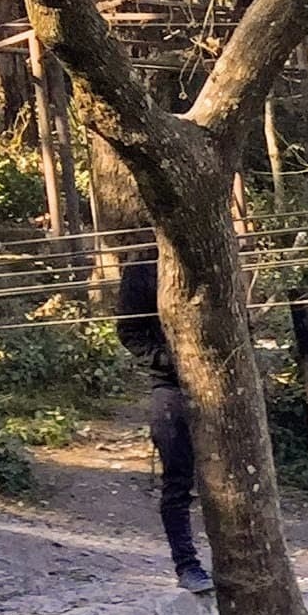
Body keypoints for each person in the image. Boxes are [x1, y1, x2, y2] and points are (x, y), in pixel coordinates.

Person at [114, 253, 212, 593]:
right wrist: (171, 362)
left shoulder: (207, 256)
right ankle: (187, 565)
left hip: (220, 382)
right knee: (178, 481)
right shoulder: (141, 268)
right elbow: (129, 331)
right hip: (170, 387)